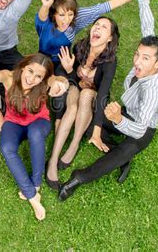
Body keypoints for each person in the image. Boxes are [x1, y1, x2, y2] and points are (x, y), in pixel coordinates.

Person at [58, 0, 158, 201]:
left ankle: (79, 178)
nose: (137, 61)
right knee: (91, 119)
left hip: (142, 125)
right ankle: (110, 145)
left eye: (145, 59)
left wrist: (118, 119)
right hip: (126, 111)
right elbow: (148, 25)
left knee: (128, 148)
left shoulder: (155, 90)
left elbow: (138, 129)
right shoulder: (153, 54)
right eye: (137, 54)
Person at [0, 53, 69, 220]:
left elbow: (58, 80)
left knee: (35, 134)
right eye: (30, 71)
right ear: (23, 66)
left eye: (38, 76)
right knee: (7, 147)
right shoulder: (10, 78)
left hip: (38, 121)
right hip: (13, 122)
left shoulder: (46, 81)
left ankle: (36, 183)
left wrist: (62, 84)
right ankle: (32, 195)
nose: (32, 79)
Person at [45, 14, 121, 190]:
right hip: (75, 88)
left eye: (104, 27)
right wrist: (70, 69)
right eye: (96, 24)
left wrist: (97, 128)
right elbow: (68, 76)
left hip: (93, 96)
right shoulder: (80, 46)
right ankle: (53, 160)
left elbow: (102, 93)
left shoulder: (110, 61)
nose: (97, 28)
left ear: (109, 38)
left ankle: (73, 145)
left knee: (86, 94)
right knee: (71, 109)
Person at [36, 0, 138, 67]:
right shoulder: (46, 23)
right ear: (53, 14)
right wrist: (46, 5)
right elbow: (42, 17)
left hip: (63, 62)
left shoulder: (76, 19)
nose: (67, 20)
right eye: (62, 15)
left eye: (70, 14)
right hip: (41, 59)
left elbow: (103, 7)